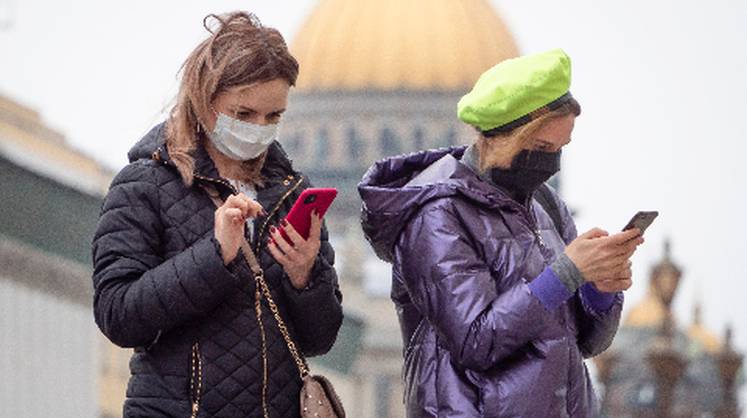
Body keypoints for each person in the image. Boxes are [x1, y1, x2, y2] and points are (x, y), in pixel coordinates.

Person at [358, 49, 644, 417]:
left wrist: (600, 288)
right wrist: (567, 272)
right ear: (502, 137)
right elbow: (477, 341)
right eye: (541, 148)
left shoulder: (546, 206)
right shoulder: (437, 213)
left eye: (560, 149)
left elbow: (586, 342)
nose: (550, 161)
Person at [92, 12, 343, 417]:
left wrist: (305, 278)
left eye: (273, 116)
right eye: (243, 114)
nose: (259, 128)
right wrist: (215, 255)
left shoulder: (292, 194)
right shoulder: (144, 185)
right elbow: (118, 314)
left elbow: (320, 338)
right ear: (205, 101)